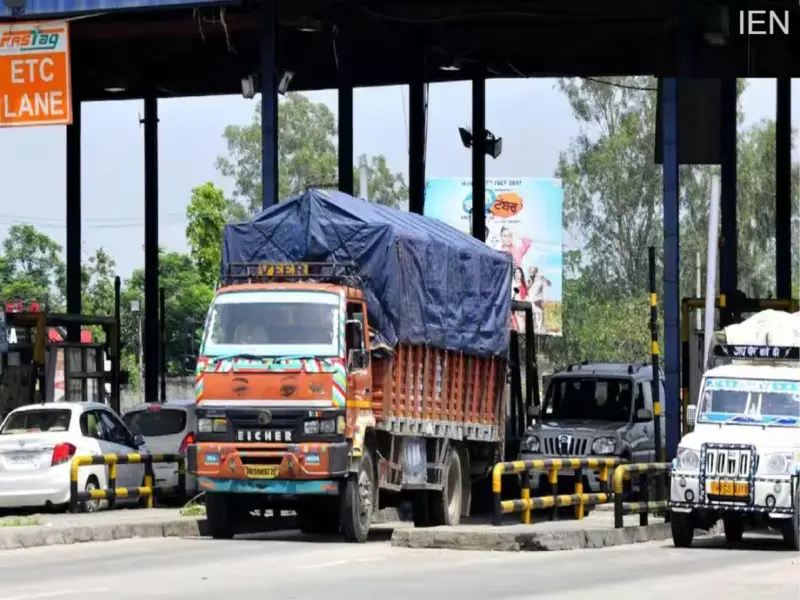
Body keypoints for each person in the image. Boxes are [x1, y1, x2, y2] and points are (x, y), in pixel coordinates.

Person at [527, 266, 551, 334]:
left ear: (536, 272)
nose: (532, 273)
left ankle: (540, 333)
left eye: (534, 271)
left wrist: (545, 279)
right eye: (531, 272)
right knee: (531, 324)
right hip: (530, 304)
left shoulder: (541, 278)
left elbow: (549, 284)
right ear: (529, 272)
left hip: (537, 303)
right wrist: (531, 282)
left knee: (539, 323)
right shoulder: (528, 280)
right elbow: (526, 289)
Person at [511, 267, 528, 332]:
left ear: (521, 274)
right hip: (513, 308)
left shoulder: (524, 284)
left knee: (522, 327)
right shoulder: (512, 284)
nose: (516, 274)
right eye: (515, 272)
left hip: (522, 308)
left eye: (518, 272)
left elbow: (527, 296)